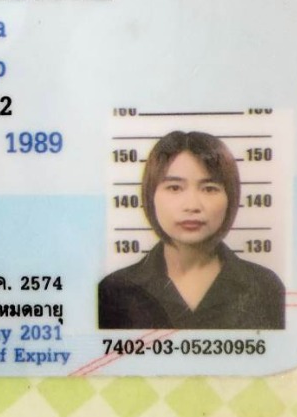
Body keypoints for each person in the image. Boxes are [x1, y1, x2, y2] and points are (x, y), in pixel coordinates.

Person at [98, 130, 285, 330]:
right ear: (150, 196)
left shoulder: (264, 286)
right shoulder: (116, 290)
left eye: (209, 188)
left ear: (231, 197)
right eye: (174, 188)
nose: (192, 206)